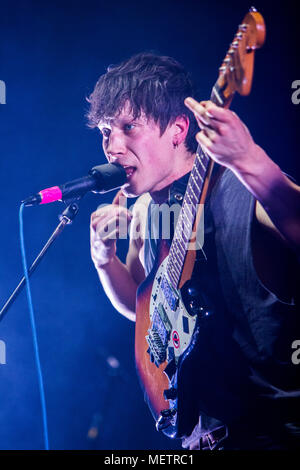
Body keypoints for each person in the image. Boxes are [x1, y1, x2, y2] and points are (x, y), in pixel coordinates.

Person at [87, 52, 300, 450]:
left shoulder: (241, 188)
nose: (111, 147)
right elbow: (148, 307)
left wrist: (251, 162)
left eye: (128, 127)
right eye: (104, 132)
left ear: (178, 129)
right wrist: (104, 261)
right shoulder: (147, 210)